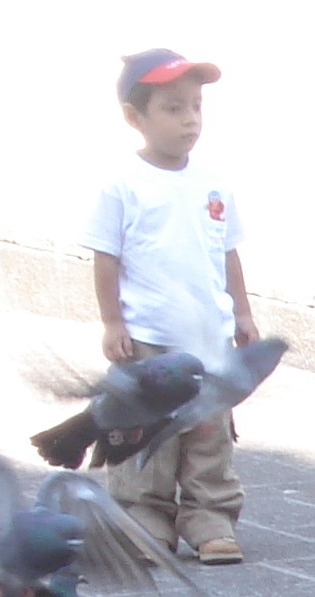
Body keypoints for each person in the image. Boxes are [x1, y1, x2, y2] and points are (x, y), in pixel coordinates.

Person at [81, 49, 260, 566]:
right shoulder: (121, 186)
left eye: (196, 107)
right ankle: (145, 519)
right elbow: (106, 258)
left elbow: (226, 253)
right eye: (173, 108)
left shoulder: (212, 182)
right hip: (150, 339)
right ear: (134, 117)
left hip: (208, 338)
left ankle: (211, 517)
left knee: (209, 435)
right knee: (147, 439)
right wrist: (114, 321)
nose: (190, 119)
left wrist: (243, 314)